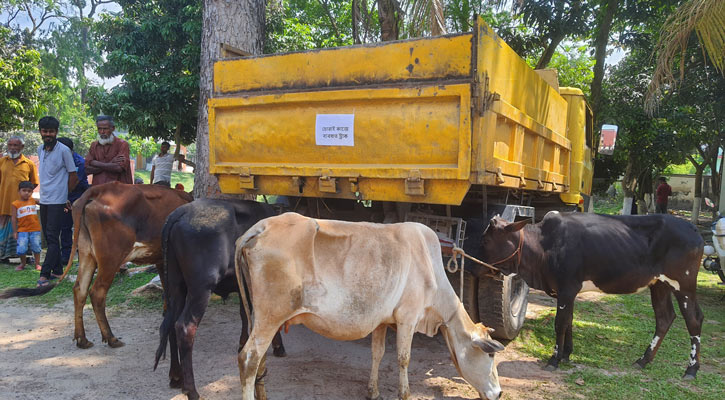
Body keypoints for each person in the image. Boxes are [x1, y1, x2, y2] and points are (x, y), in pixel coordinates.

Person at [37, 116, 78, 287]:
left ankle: (44, 274)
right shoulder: (40, 149)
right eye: (45, 131)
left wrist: (64, 196)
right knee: (49, 236)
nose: (48, 134)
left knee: (52, 238)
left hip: (57, 201)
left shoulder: (63, 151)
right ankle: (57, 271)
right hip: (44, 199)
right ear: (40, 132)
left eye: (51, 131)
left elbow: (73, 176)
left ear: (56, 132)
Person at [0, 136, 39, 263]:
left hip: (23, 207)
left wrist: (25, 196)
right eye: (10, 145)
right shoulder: (2, 161)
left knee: (25, 229)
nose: (12, 148)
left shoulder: (29, 164)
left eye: (15, 145)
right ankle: (4, 256)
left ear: (22, 147)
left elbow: (34, 183)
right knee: (4, 229)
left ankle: (26, 257)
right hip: (4, 203)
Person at [57, 137, 89, 266]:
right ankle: (66, 256)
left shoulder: (79, 162)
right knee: (65, 227)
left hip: (78, 197)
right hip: (62, 197)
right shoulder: (56, 159)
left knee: (81, 227)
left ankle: (83, 255)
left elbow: (76, 181)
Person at [85, 115, 132, 185]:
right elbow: (87, 170)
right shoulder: (94, 145)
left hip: (118, 191)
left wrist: (95, 163)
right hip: (98, 191)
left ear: (112, 128)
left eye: (105, 129)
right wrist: (111, 163)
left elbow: (119, 168)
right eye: (99, 129)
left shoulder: (122, 144)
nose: (102, 132)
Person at [11, 181, 42, 271]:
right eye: (24, 190)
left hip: (35, 230)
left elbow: (45, 203)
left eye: (29, 191)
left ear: (32, 192)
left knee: (36, 247)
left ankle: (37, 264)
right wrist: (15, 231)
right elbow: (13, 218)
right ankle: (23, 263)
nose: (26, 193)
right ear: (19, 191)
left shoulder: (33, 201)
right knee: (21, 248)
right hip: (22, 230)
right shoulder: (15, 204)